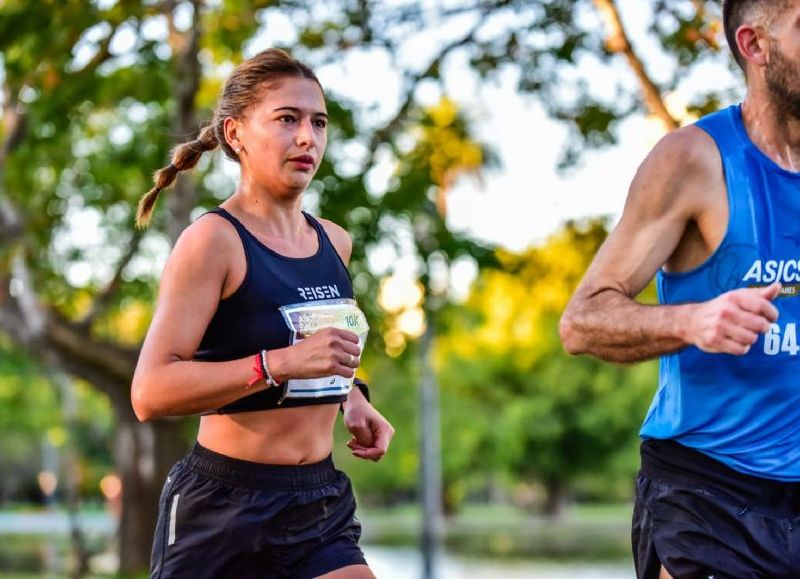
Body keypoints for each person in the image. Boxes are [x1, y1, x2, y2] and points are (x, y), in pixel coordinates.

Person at [131, 48, 394, 579]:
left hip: (317, 502)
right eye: (287, 119)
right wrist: (278, 364)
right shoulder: (212, 242)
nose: (307, 138)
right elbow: (150, 391)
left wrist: (353, 397)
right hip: (222, 509)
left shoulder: (333, 242)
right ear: (235, 134)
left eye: (318, 122)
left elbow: (319, 350)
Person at [559, 1, 800, 577]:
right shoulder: (693, 160)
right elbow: (582, 321)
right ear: (755, 44)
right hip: (709, 493)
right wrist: (692, 322)